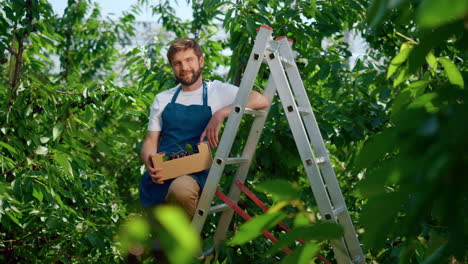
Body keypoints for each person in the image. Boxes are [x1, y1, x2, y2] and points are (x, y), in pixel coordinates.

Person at [139, 38, 269, 218]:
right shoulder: (163, 98)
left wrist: (221, 113)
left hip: (195, 172)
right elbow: (150, 141)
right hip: (163, 172)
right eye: (177, 63)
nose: (184, 67)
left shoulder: (217, 91)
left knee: (181, 191)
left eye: (189, 60)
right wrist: (150, 162)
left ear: (201, 61)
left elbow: (260, 99)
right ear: (172, 67)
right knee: (139, 243)